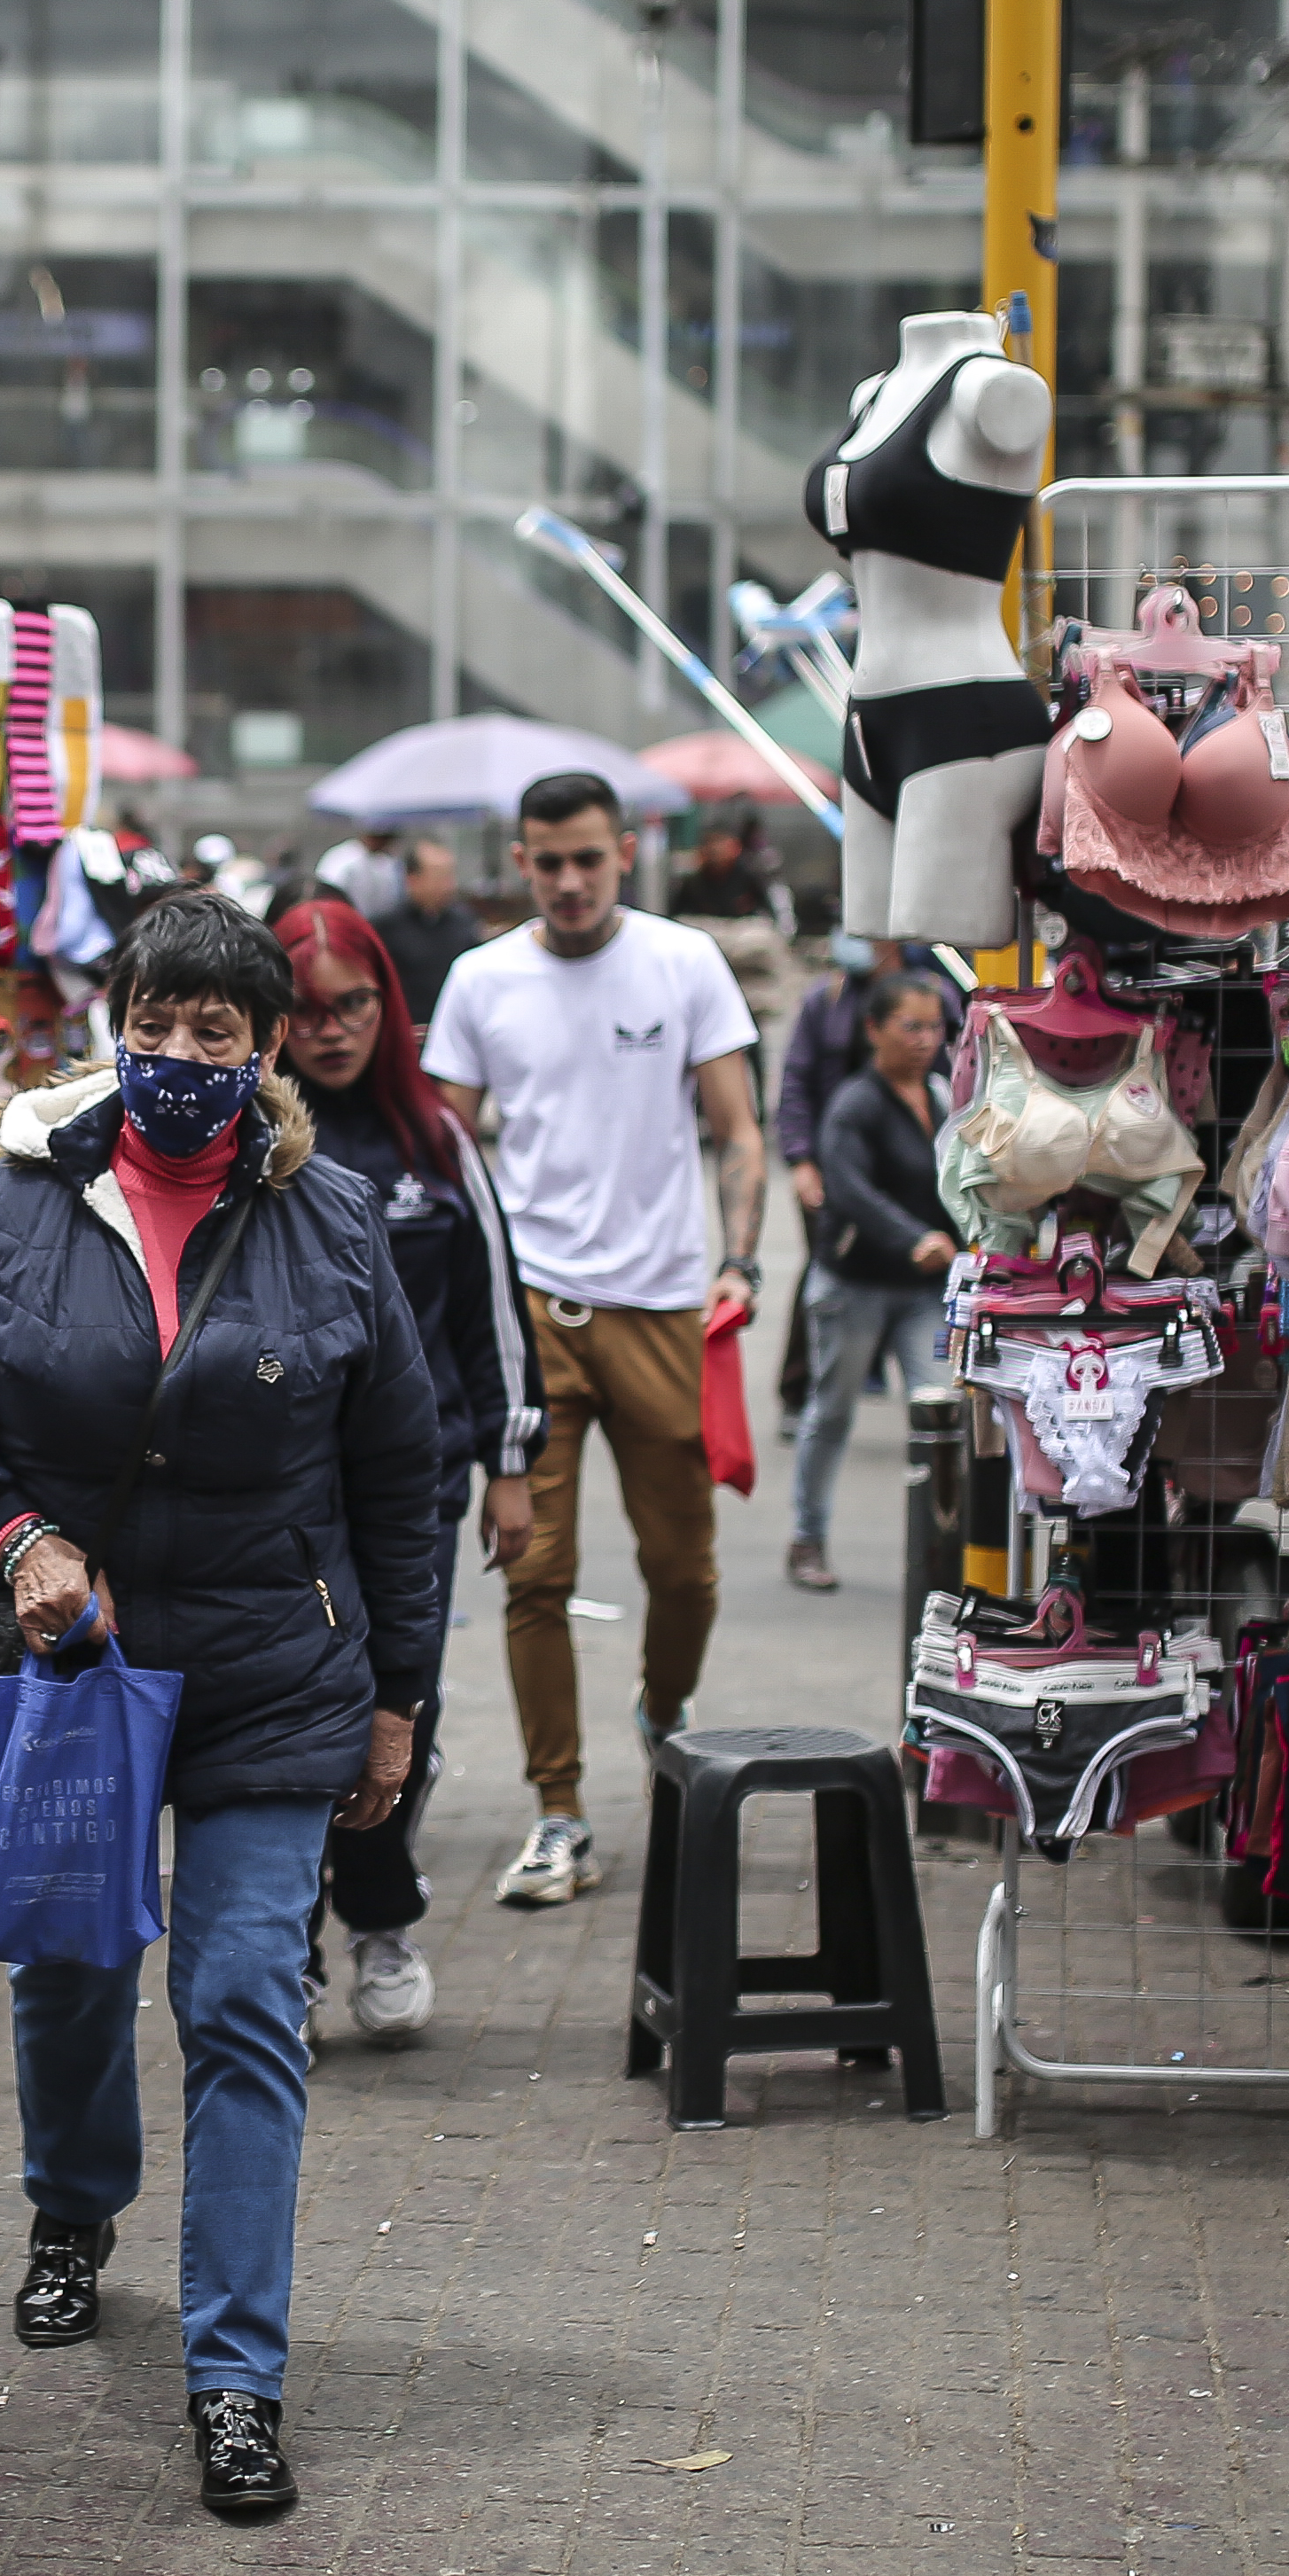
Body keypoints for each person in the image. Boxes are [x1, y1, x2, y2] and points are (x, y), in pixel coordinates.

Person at [0, 888, 447, 2519]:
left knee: (244, 2002)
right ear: (110, 1026)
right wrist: (20, 1534)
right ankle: (72, 2209)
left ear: (267, 1047)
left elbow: (398, 1476)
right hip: (78, 1662)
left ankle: (237, 2377)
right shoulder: (19, 1204)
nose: (180, 1054)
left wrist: (397, 1700)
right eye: (154, 1023)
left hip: (278, 1665)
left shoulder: (332, 1221)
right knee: (70, 1973)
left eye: (216, 1030)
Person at [421, 769, 769, 1907]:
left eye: (587, 858)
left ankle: (662, 1715)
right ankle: (557, 1812)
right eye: (546, 861)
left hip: (665, 1304)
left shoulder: (683, 963)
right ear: (518, 863)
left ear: (623, 852)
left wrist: (739, 1258)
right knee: (533, 1570)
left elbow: (738, 1134)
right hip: (530, 1316)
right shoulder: (480, 979)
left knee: (685, 1571)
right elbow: (445, 1158)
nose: (568, 881)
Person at [272, 896, 540, 2045]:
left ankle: (382, 1923)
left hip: (414, 1495)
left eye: (356, 1006)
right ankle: (283, 1953)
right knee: (281, 1725)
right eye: (309, 1009)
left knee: (397, 1717)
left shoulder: (437, 1140)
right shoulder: (253, 1145)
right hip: (277, 1499)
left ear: (391, 1006)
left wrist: (511, 1459)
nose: (333, 1030)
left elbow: (494, 1307)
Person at [786, 972, 954, 1590]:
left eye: (934, 1026)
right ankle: (807, 1537)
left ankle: (947, 1545)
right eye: (910, 1026)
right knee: (830, 1412)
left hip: (922, 1294)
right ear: (874, 1029)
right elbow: (848, 1189)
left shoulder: (942, 1095)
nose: (925, 1039)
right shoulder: (856, 1102)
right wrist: (915, 1238)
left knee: (941, 1411)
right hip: (854, 1283)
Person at [769, 933, 956, 1420]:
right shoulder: (827, 999)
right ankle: (802, 1389)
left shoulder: (934, 992)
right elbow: (796, 1081)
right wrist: (801, 1160)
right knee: (830, 1266)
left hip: (907, 1157)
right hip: (836, 1155)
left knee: (911, 1259)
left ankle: (885, 1366)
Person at [377, 832, 479, 1018]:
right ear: (412, 879)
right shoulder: (385, 929)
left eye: (450, 875)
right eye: (439, 876)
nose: (449, 885)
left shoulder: (464, 923)